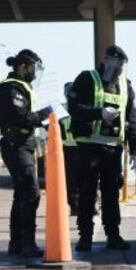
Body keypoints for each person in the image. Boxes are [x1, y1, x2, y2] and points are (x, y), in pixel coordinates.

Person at [69, 45, 136, 252]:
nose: (118, 68)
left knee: (111, 194)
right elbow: (74, 108)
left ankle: (113, 235)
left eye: (121, 65)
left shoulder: (126, 86)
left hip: (112, 149)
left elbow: (132, 117)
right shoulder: (87, 79)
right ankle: (85, 237)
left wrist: (135, 146)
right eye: (115, 63)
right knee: (87, 193)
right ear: (106, 60)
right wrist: (99, 113)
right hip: (89, 146)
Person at [0, 49, 52, 257]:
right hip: (15, 145)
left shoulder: (24, 87)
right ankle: (27, 243)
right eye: (33, 68)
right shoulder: (10, 88)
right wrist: (47, 113)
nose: (35, 73)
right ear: (23, 66)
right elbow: (21, 117)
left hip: (25, 145)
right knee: (31, 193)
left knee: (21, 194)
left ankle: (16, 243)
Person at [59, 82, 79, 215]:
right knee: (75, 180)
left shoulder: (61, 109)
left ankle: (77, 206)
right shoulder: (61, 109)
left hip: (72, 148)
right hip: (73, 147)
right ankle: (76, 206)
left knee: (73, 180)